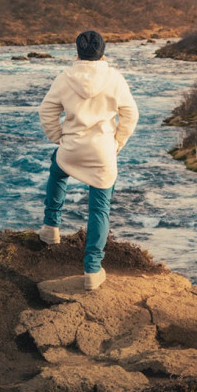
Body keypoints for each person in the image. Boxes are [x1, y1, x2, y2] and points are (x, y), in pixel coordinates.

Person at [38, 30, 139, 290]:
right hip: (103, 152)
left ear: (78, 52)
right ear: (102, 52)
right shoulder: (114, 78)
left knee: (57, 171)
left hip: (72, 148)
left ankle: (51, 228)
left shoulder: (65, 77)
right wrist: (118, 142)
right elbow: (131, 114)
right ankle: (92, 271)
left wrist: (57, 136)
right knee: (99, 208)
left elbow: (46, 109)